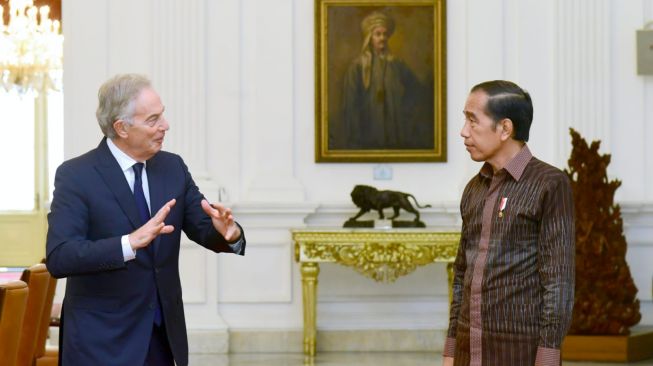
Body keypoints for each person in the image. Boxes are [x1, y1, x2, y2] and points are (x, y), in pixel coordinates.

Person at [46, 74, 246, 366]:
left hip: (161, 339)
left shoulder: (173, 167)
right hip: (100, 343)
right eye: (153, 119)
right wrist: (128, 243)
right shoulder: (77, 176)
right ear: (121, 128)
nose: (165, 125)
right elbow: (60, 257)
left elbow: (204, 228)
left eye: (162, 115)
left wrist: (229, 233)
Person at [443, 80, 575, 366]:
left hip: (519, 351)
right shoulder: (474, 188)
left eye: (472, 120)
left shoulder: (549, 184)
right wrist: (451, 349)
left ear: (505, 128)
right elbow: (461, 275)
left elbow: (558, 280)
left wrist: (549, 355)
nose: (463, 131)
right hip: (468, 349)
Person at [337, 10, 433, 150]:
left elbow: (416, 93)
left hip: (395, 130)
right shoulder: (357, 67)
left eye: (385, 34)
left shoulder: (397, 64)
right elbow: (351, 104)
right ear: (370, 37)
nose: (382, 38)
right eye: (378, 34)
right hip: (368, 131)